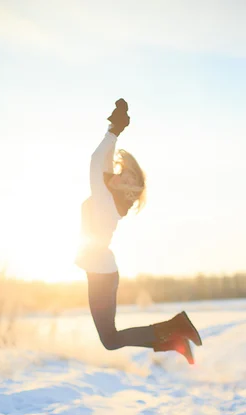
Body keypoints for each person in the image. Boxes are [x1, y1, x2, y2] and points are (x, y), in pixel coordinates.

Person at [75, 99, 202, 364]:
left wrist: (113, 131)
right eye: (124, 174)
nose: (120, 177)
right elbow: (104, 166)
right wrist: (114, 128)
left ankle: (177, 329)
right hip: (101, 270)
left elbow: (96, 162)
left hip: (101, 272)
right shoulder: (110, 197)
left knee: (110, 339)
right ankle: (176, 339)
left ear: (129, 189)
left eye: (129, 180)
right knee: (110, 339)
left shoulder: (107, 202)